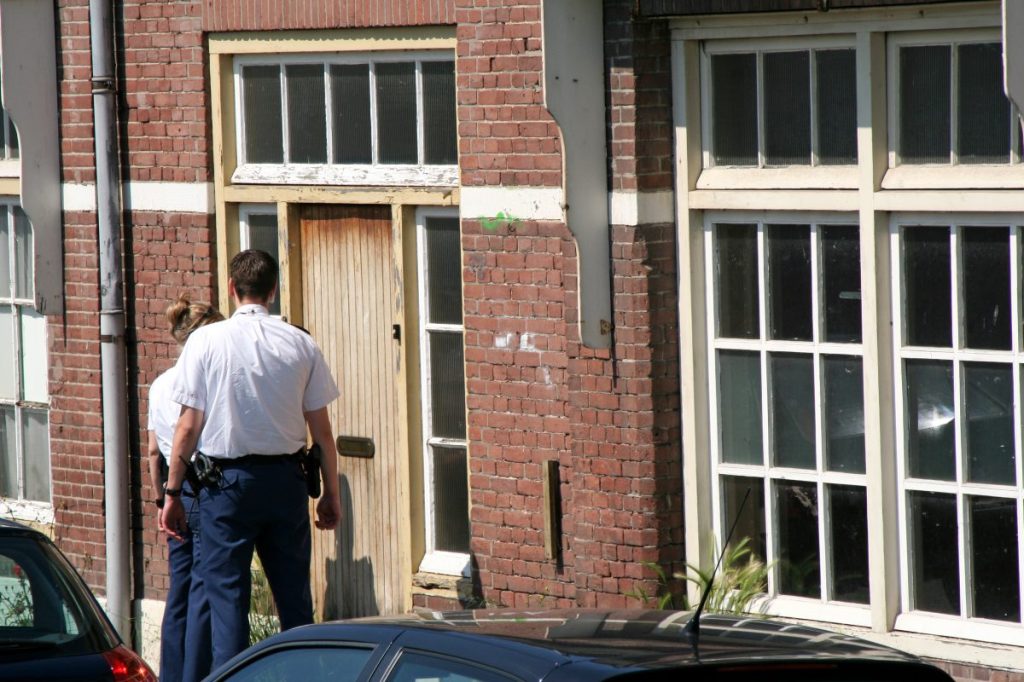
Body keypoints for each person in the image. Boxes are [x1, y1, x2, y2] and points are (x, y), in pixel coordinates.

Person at [159, 249, 342, 668]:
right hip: (287, 484)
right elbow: (324, 433)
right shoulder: (300, 342)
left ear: (231, 288)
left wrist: (172, 494)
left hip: (226, 489)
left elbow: (187, 427)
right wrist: (331, 493)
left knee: (227, 606)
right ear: (273, 291)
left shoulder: (206, 341)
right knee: (295, 604)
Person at [147, 296, 224, 682]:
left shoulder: (159, 385)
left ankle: (171, 674)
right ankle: (196, 674)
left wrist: (162, 499)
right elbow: (194, 434)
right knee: (203, 592)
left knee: (179, 593)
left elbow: (151, 452)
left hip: (173, 496)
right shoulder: (202, 383)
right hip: (199, 489)